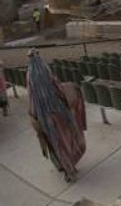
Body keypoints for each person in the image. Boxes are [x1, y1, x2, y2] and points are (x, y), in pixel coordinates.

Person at [27, 50, 87, 182]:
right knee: (68, 138)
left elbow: (31, 97)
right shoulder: (46, 71)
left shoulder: (29, 76)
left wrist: (33, 115)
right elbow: (58, 89)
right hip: (59, 112)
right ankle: (71, 167)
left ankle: (68, 169)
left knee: (56, 143)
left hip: (45, 117)